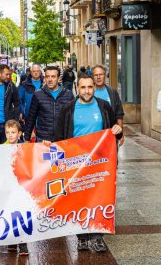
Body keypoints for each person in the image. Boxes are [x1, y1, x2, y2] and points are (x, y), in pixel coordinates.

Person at [54, 73, 123, 253]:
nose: (86, 91)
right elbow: (59, 138)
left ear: (94, 87)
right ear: (77, 88)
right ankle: (81, 237)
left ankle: (97, 237)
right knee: (78, 200)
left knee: (98, 199)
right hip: (76, 163)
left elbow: (115, 129)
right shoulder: (68, 109)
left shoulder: (104, 107)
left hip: (100, 162)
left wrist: (119, 131)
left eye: (90, 87)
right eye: (83, 87)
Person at [0, 119, 29, 256]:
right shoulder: (1, 147)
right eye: (7, 132)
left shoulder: (25, 147)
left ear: (19, 134)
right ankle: (12, 241)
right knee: (9, 213)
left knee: (21, 215)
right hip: (7, 188)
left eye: (13, 132)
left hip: (21, 188)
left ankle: (23, 243)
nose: (10, 135)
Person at [24, 66, 74, 143]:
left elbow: (73, 117)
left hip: (62, 139)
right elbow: (31, 117)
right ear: (45, 78)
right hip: (43, 139)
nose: (50, 79)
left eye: (53, 76)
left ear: (58, 78)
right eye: (47, 76)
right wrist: (27, 138)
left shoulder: (68, 94)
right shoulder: (38, 95)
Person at [92, 65, 125, 146]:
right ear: (92, 77)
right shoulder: (89, 93)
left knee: (112, 158)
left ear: (105, 76)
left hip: (110, 134)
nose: (98, 77)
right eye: (96, 75)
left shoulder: (112, 93)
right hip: (93, 135)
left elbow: (119, 113)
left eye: (101, 74)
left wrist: (120, 133)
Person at [19, 64, 44, 128]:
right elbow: (19, 100)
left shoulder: (45, 84)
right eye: (34, 71)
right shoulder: (24, 84)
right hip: (29, 116)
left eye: (37, 71)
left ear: (40, 72)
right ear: (30, 72)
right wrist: (22, 112)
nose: (36, 73)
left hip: (43, 117)